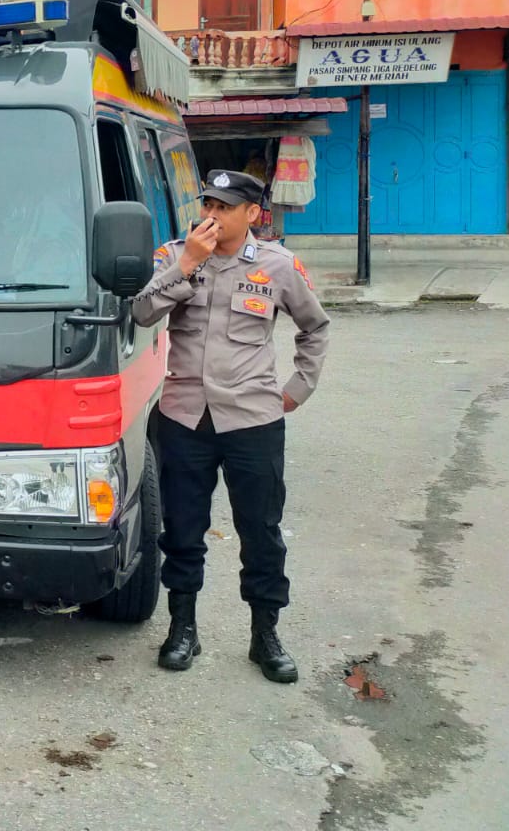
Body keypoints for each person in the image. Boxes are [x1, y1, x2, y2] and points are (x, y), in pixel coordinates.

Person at [131, 170, 330, 684]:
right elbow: (142, 312)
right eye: (208, 204)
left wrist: (298, 388)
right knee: (181, 527)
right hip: (183, 416)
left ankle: (265, 634)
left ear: (252, 215)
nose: (212, 215)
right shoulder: (174, 255)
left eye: (224, 207)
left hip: (252, 420)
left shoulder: (278, 265)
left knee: (261, 531)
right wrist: (186, 265)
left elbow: (315, 328)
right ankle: (182, 629)